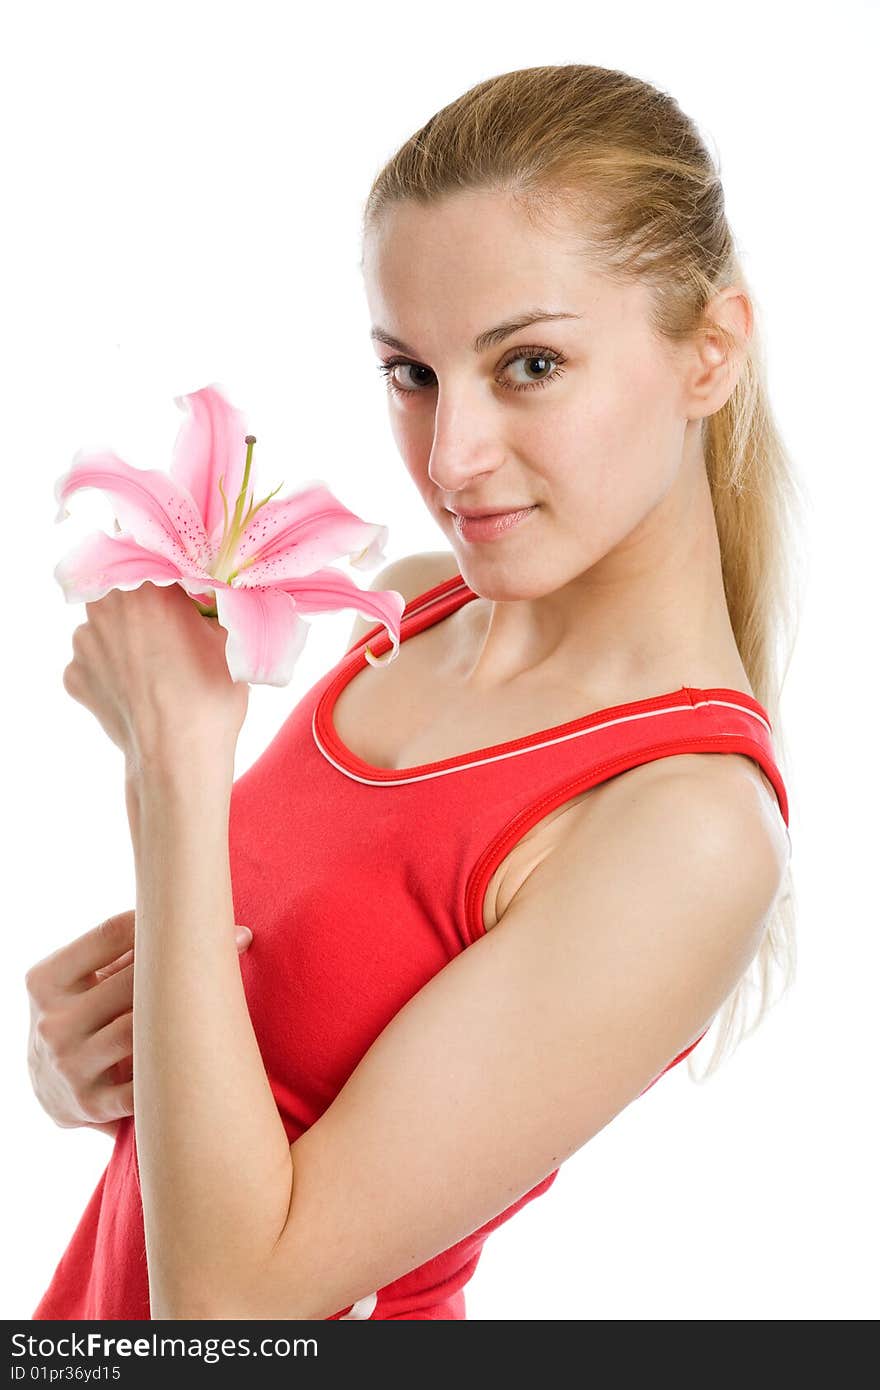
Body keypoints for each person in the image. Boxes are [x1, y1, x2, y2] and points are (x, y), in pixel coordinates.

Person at [26, 62, 801, 1321]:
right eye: (411, 372)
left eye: (530, 366)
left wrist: (171, 770)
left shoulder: (686, 827)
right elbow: (231, 1085)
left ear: (708, 352)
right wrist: (82, 1070)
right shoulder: (410, 605)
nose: (451, 458)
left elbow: (230, 1312)